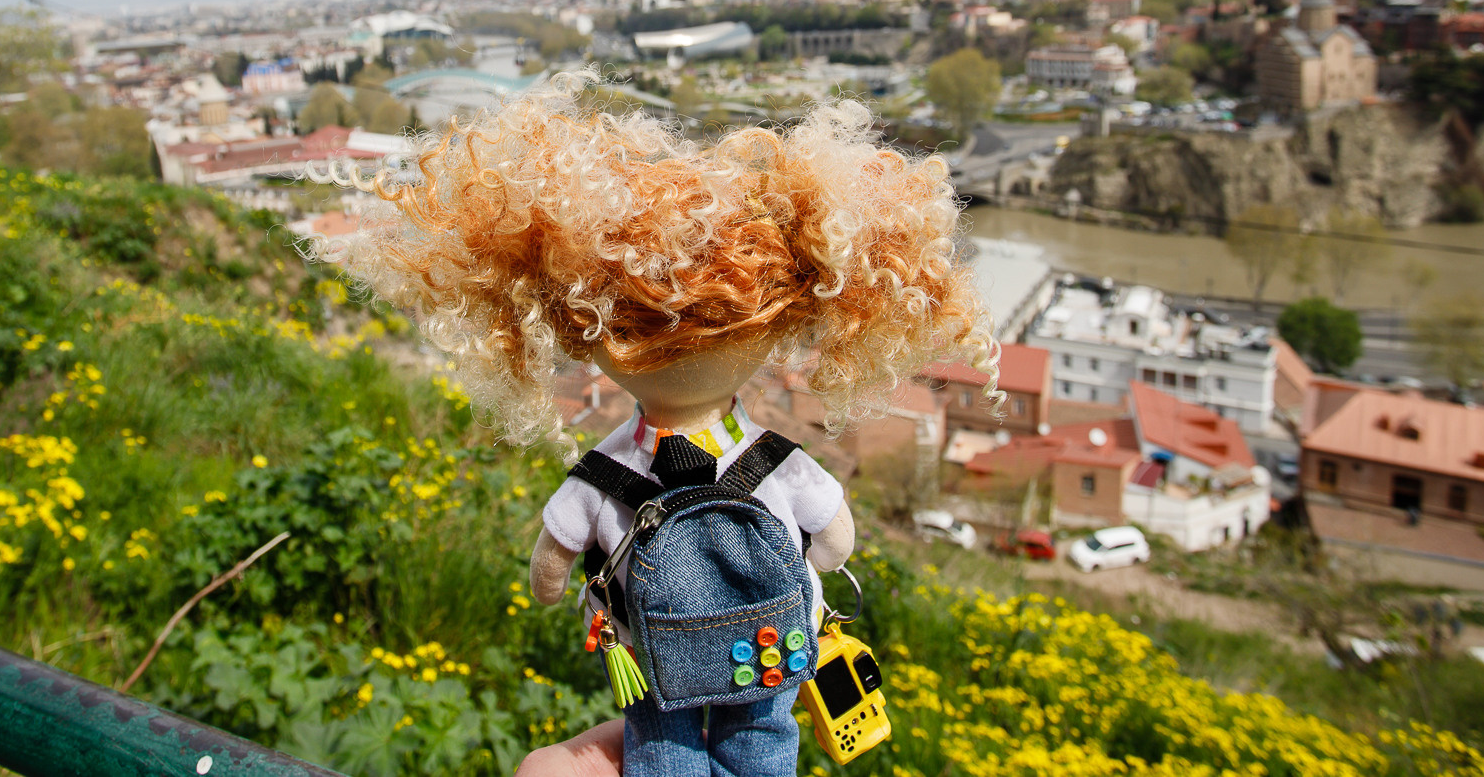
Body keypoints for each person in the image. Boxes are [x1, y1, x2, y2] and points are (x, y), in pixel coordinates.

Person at [332, 74, 991, 775]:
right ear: (781, 323)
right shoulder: (776, 459)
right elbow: (832, 539)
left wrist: (554, 578)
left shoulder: (604, 470)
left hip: (647, 650)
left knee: (658, 743)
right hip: (768, 646)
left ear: (583, 329)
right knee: (764, 738)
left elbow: (555, 555)